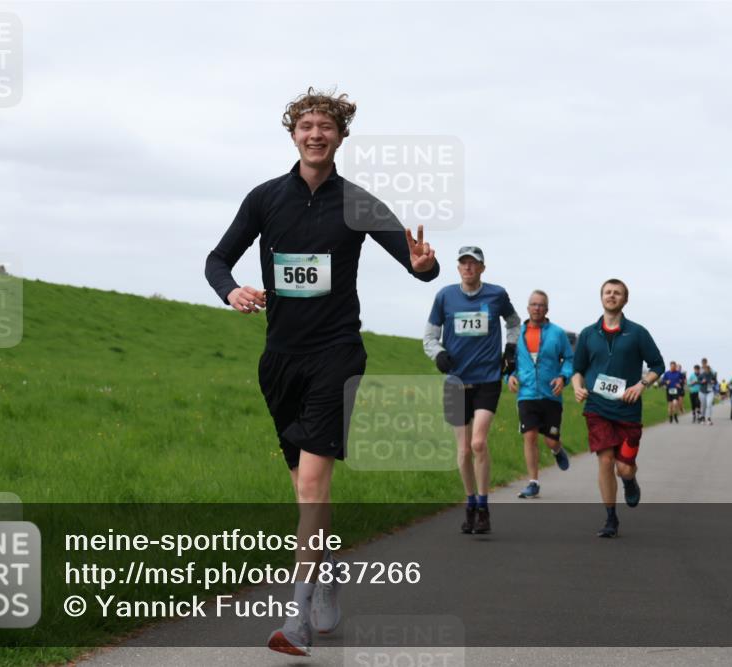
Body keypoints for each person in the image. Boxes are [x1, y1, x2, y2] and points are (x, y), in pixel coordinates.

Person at [205, 88, 440, 657]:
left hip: (336, 354)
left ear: (340, 137)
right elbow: (216, 260)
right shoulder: (264, 199)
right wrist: (231, 289)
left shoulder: (358, 203)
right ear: (293, 135)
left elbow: (417, 267)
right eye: (306, 125)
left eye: (326, 126)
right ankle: (327, 572)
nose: (316, 133)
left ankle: (296, 618)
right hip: (279, 361)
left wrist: (425, 265)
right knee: (305, 491)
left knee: (312, 486)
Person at [424, 246, 519, 534]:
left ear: (482, 268)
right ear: (458, 268)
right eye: (463, 263)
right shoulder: (445, 296)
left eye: (473, 263)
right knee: (463, 450)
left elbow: (514, 323)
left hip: (487, 378)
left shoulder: (496, 295)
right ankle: (470, 503)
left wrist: (511, 349)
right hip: (455, 380)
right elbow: (430, 335)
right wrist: (438, 354)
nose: (468, 268)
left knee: (478, 443)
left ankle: (484, 506)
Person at [571, 279, 664, 538]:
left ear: (625, 300)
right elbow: (577, 370)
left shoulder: (637, 333)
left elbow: (658, 365)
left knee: (623, 467)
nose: (611, 296)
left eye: (617, 293)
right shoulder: (588, 334)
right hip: (597, 407)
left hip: (628, 410)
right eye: (607, 292)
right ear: (601, 297)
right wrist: (577, 387)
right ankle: (611, 518)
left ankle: (629, 480)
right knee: (605, 460)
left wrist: (641, 385)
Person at [506, 290, 573, 498]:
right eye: (533, 304)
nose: (536, 308)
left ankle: (557, 450)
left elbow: (569, 359)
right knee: (530, 436)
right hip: (526, 394)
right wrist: (509, 377)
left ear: (547, 309)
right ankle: (533, 482)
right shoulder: (517, 335)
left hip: (551, 394)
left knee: (550, 440)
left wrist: (563, 378)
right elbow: (508, 362)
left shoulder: (558, 333)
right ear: (527, 308)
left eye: (541, 305)